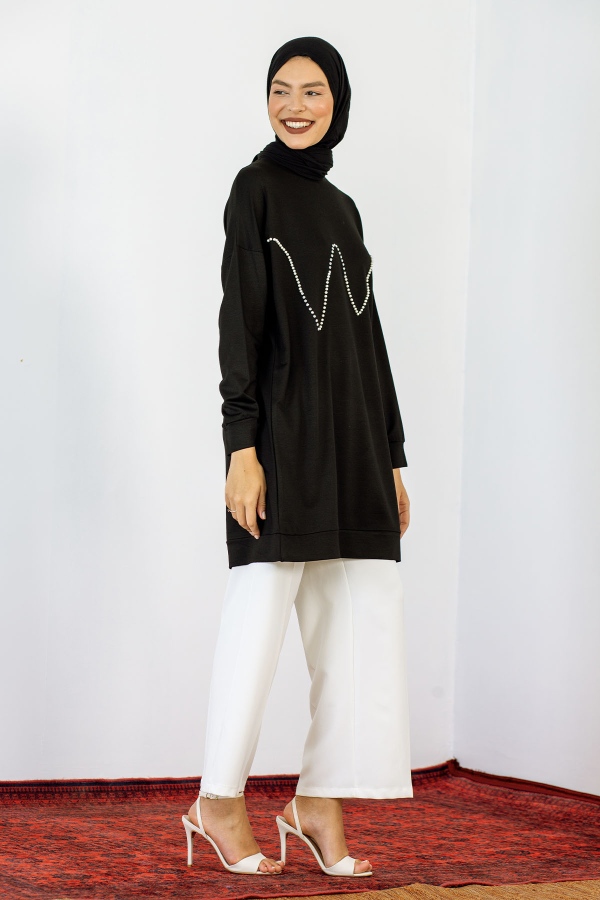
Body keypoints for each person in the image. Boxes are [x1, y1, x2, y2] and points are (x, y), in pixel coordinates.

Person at [182, 35, 412, 878]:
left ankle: (320, 800)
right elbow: (237, 324)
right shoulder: (255, 191)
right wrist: (240, 447)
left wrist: (392, 455)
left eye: (312, 90)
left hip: (355, 447)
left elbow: (368, 341)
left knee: (357, 621)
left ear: (337, 102)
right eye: (281, 89)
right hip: (281, 441)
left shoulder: (345, 208)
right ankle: (218, 800)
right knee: (258, 616)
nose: (294, 105)